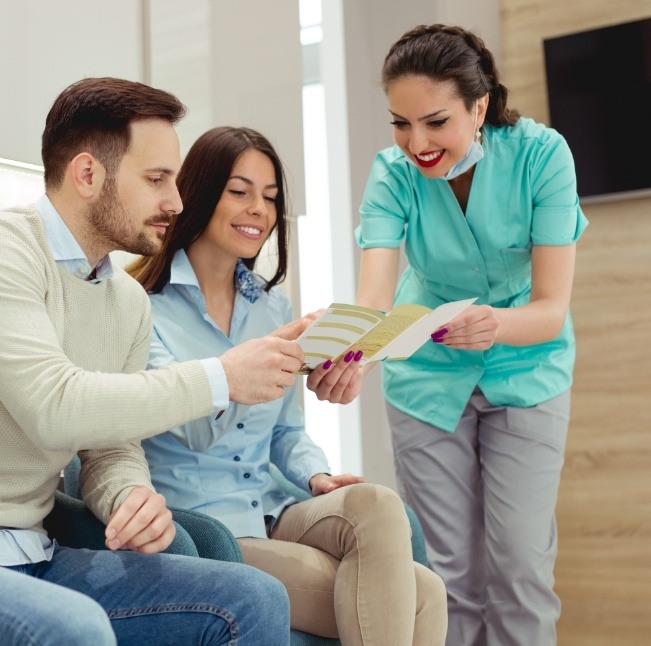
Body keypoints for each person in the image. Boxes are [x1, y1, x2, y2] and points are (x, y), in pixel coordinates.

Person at [0, 77, 302, 645]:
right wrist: (223, 377)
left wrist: (129, 495)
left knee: (254, 596)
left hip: (37, 551)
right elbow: (54, 406)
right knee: (77, 628)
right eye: (157, 179)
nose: (177, 202)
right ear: (88, 175)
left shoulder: (126, 302)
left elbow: (109, 446)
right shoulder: (9, 253)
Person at [127, 126, 448, 646]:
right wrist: (253, 361)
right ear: (200, 192)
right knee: (424, 595)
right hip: (208, 528)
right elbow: (192, 430)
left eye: (271, 197)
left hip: (275, 505)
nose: (259, 208)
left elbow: (286, 432)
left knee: (379, 504)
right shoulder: (141, 306)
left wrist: (316, 475)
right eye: (240, 191)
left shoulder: (271, 306)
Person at [348, 24, 588, 646]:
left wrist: (495, 326)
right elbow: (374, 297)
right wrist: (346, 351)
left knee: (521, 566)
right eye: (401, 124)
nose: (416, 143)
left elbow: (550, 309)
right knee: (445, 574)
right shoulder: (392, 174)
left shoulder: (542, 156)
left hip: (526, 369)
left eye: (435, 122)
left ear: (478, 107)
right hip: (425, 375)